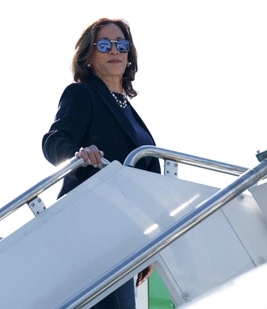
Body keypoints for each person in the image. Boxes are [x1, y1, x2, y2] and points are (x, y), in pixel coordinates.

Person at [41, 17, 160, 308]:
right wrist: (78, 154)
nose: (114, 50)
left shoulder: (129, 110)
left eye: (121, 44)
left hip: (124, 233)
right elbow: (54, 140)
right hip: (90, 224)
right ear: (89, 56)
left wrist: (149, 245)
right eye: (104, 45)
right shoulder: (82, 94)